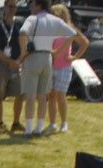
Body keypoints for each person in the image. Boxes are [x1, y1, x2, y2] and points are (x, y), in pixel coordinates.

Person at [18, 0, 81, 136]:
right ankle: (39, 128)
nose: (31, 7)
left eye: (33, 5)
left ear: (38, 5)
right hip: (47, 58)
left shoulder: (32, 18)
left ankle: (29, 128)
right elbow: (71, 34)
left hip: (33, 56)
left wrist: (23, 51)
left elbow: (22, 32)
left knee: (30, 95)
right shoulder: (54, 20)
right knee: (42, 97)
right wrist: (58, 51)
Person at [46, 4, 88, 133]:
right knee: (51, 96)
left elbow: (84, 43)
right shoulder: (50, 29)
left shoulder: (69, 29)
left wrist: (74, 57)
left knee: (61, 96)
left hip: (64, 66)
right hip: (51, 65)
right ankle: (52, 123)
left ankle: (64, 122)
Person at [0, 1, 25, 133]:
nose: (12, 9)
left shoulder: (20, 26)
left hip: (16, 63)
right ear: (4, 8)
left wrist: (18, 60)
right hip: (1, 64)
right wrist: (9, 61)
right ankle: (1, 123)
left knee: (20, 93)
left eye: (14, 7)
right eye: (10, 6)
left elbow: (25, 46)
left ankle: (16, 122)